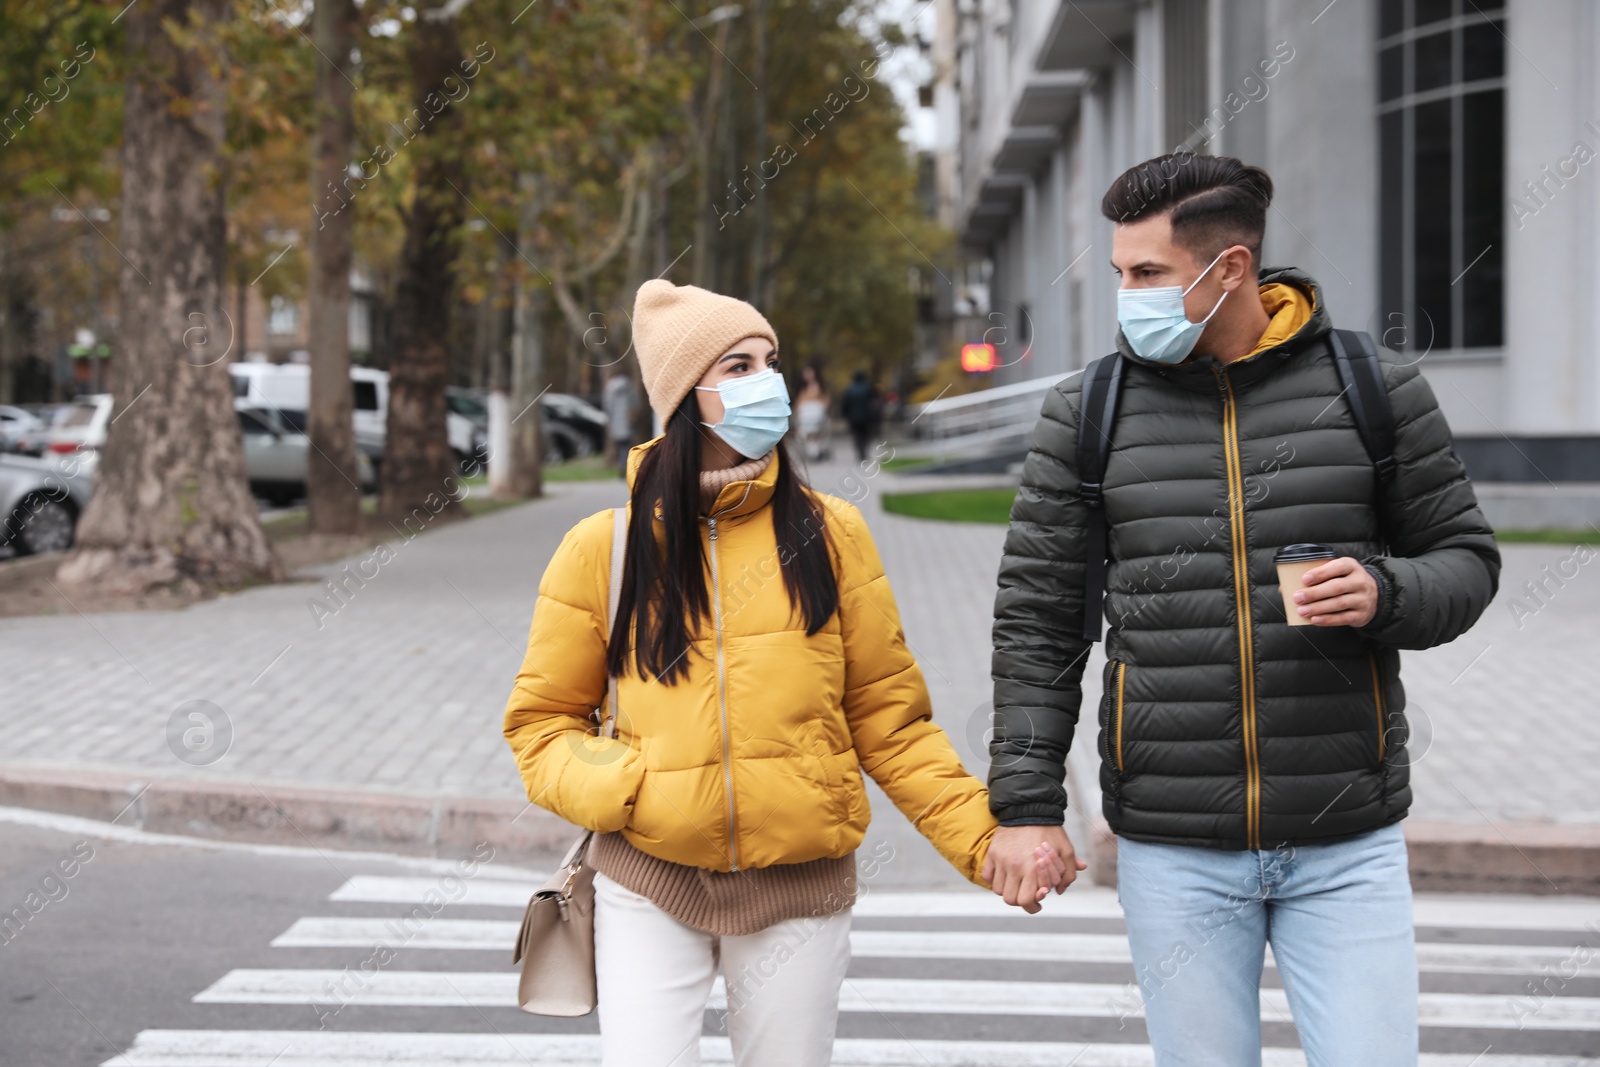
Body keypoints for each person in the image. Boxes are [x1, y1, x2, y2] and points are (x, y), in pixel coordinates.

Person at [984, 155, 1501, 1066]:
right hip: (1173, 848)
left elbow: (1467, 561)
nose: (1127, 295)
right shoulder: (1088, 412)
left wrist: (1387, 592)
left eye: (1148, 274)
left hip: (1347, 838)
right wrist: (1026, 804)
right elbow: (1040, 621)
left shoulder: (1372, 389)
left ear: (1230, 270)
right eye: (1120, 274)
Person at [503, 279, 1052, 1067]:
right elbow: (540, 722)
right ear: (683, 396)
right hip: (647, 883)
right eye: (738, 364)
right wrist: (623, 786)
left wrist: (984, 840)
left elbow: (890, 722)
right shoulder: (605, 547)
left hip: (800, 889)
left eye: (771, 360)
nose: (769, 380)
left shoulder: (833, 533)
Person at [601, 367, 637, 476]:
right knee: (627, 446)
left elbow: (607, 406)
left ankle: (622, 468)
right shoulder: (629, 386)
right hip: (627, 421)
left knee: (621, 446)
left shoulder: (610, 388)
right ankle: (627, 467)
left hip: (616, 423)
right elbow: (635, 403)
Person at [839, 368, 877, 463]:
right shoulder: (868, 388)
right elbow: (873, 401)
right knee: (865, 435)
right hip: (866, 416)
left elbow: (845, 404)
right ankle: (864, 452)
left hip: (853, 417)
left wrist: (844, 414)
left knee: (856, 436)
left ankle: (859, 453)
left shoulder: (849, 389)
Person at [796, 365, 830, 460]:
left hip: (815, 414)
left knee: (816, 434)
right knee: (807, 434)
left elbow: (825, 400)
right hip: (806, 415)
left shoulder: (819, 387)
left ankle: (816, 452)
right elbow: (800, 401)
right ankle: (812, 452)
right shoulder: (803, 388)